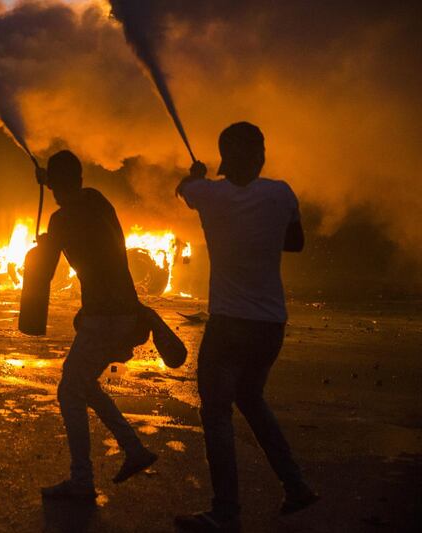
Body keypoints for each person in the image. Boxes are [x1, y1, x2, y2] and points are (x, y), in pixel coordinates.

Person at [174, 122, 317, 532]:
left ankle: (225, 512)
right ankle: (296, 485)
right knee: (251, 400)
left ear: (223, 159)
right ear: (261, 156)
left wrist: (198, 176)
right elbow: (295, 243)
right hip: (271, 325)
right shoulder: (282, 193)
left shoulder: (208, 193)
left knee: (217, 413)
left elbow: (183, 188)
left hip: (229, 325)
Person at [35, 150, 157, 502]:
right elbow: (73, 199)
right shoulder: (98, 201)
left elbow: (44, 272)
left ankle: (82, 482)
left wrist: (42, 247)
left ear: (56, 187)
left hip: (103, 316)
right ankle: (133, 450)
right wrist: (51, 179)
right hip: (125, 310)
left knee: (69, 390)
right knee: (83, 383)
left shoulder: (61, 221)